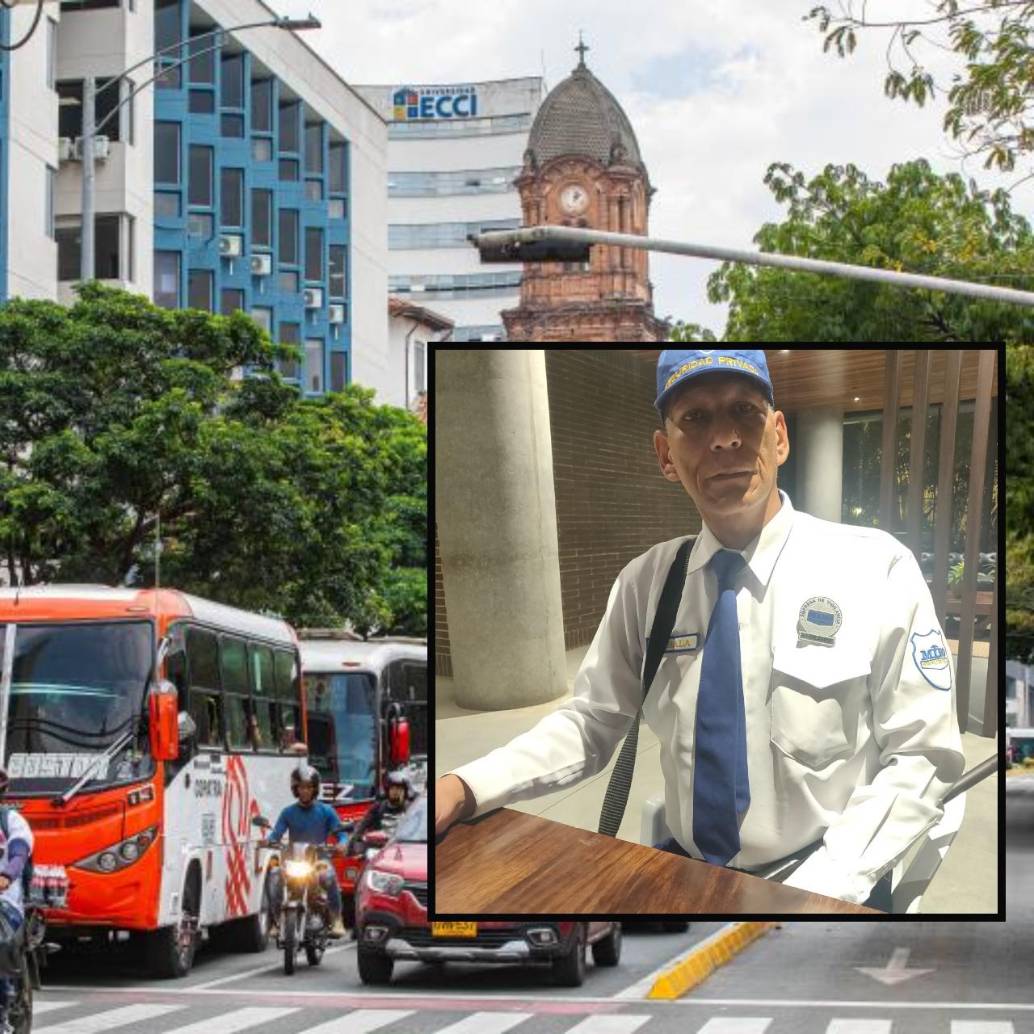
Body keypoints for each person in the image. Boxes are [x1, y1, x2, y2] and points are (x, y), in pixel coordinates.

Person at [436, 348, 966, 911]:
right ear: (666, 455)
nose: (724, 438)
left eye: (744, 412)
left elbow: (923, 755)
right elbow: (591, 721)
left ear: (779, 436)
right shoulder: (647, 583)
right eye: (695, 418)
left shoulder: (874, 568)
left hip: (828, 880)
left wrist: (818, 892)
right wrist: (466, 786)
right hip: (684, 879)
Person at [264, 764, 349, 938]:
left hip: (319, 859)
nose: (305, 791)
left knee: (328, 875)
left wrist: (342, 843)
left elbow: (341, 834)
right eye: (301, 787)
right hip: (294, 859)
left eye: (309, 787)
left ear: (315, 789)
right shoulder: (288, 812)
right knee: (274, 875)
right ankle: (276, 921)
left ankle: (336, 919)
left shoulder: (326, 811)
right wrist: (270, 841)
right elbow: (276, 834)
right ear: (295, 789)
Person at [0, 768, 32, 1034]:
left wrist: (6, 875)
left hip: (6, 901)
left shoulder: (12, 820)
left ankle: (3, 1009)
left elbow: (19, 852)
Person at [351, 770, 412, 843]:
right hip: (380, 846)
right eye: (393, 789)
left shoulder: (412, 808)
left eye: (399, 789)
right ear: (387, 791)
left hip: (403, 845)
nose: (396, 792)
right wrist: (355, 838)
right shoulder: (378, 807)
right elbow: (362, 824)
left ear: (405, 792)